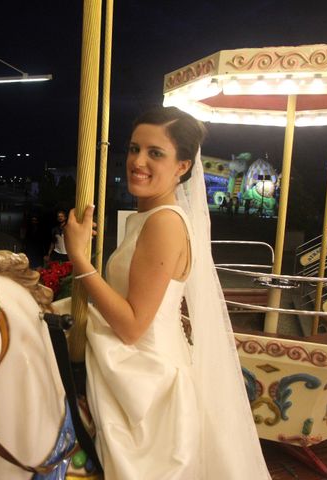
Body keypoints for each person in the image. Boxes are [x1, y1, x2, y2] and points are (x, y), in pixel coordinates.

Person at [63, 106, 270, 479]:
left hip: (145, 373)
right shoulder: (150, 217)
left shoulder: (164, 224)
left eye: (155, 153)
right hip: (139, 358)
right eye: (133, 148)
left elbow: (132, 325)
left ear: (182, 167)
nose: (137, 161)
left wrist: (79, 259)